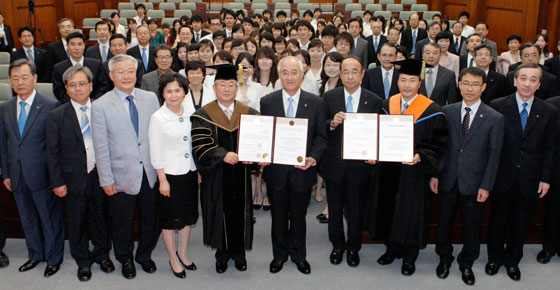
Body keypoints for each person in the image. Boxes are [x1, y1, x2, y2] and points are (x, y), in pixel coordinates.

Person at [431, 67, 504, 286]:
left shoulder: (494, 117)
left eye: (475, 84)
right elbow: (439, 147)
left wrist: (486, 185)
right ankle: (444, 259)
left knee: (472, 227)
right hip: (447, 179)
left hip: (475, 183)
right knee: (444, 223)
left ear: (483, 87)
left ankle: (466, 263)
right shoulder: (447, 111)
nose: (470, 88)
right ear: (459, 85)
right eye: (466, 83)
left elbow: (494, 155)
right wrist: (435, 174)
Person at [375, 59, 448, 276]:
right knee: (389, 208)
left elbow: (440, 144)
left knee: (412, 212)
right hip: (389, 169)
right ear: (397, 82)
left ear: (419, 83)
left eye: (412, 80)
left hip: (415, 172)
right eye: (403, 80)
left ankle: (410, 256)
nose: (407, 85)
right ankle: (391, 249)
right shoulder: (388, 105)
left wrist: (420, 156)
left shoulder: (433, 110)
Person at [91, 55, 160, 279]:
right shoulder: (100, 105)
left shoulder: (150, 98)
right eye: (120, 72)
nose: (126, 76)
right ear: (111, 76)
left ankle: (144, 255)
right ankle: (125, 258)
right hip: (120, 174)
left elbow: (158, 136)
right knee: (122, 221)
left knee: (151, 218)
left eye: (130, 71)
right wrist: (106, 179)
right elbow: (100, 146)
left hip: (150, 172)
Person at [486, 63, 557, 281]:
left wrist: (545, 178)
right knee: (498, 219)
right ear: (515, 81)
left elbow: (550, 148)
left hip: (531, 177)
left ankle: (513, 260)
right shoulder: (497, 106)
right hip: (502, 175)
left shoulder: (548, 111)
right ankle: (494, 258)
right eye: (523, 78)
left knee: (521, 221)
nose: (527, 83)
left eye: (533, 79)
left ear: (539, 84)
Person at [46, 66, 115, 282]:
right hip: (73, 178)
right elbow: (52, 152)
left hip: (100, 175)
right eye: (72, 85)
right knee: (77, 221)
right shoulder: (57, 116)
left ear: (91, 86)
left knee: (102, 218)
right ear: (66, 89)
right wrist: (57, 182)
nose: (78, 89)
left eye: (82, 83)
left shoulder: (103, 110)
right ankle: (83, 261)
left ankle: (102, 254)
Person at [260, 56, 328, 275]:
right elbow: (263, 134)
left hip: (303, 171)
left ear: (302, 75)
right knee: (278, 216)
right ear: (279, 76)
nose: (289, 77)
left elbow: (321, 137)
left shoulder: (316, 102)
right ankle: (279, 256)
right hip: (276, 171)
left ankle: (299, 255)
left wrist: (313, 157)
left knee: (299, 216)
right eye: (285, 72)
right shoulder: (268, 101)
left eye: (294, 72)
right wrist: (262, 153)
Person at [190, 64, 258, 274]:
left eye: (231, 84)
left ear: (237, 88)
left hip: (242, 176)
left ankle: (239, 254)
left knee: (241, 213)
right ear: (215, 88)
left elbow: (258, 144)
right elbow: (200, 147)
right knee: (218, 212)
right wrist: (223, 155)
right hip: (217, 176)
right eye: (222, 85)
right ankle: (222, 254)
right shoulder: (203, 115)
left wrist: (259, 158)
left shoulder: (249, 113)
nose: (227, 89)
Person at [0, 59, 64, 277]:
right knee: (27, 218)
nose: (20, 82)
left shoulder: (50, 106)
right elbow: (4, 143)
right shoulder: (5, 108)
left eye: (24, 77)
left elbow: (55, 147)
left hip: (43, 175)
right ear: (9, 81)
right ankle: (35, 254)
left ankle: (54, 258)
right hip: (17, 175)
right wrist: (6, 173)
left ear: (35, 78)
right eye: (15, 78)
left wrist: (56, 178)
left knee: (49, 218)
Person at [321, 56, 382, 268]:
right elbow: (320, 130)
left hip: (360, 166)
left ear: (362, 73)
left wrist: (375, 152)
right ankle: (337, 245)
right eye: (345, 71)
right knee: (335, 208)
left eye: (354, 71)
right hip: (334, 164)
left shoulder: (374, 100)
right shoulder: (328, 97)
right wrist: (332, 123)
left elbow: (378, 132)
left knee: (357, 209)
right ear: (340, 73)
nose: (349, 76)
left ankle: (354, 247)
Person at [149, 73, 199, 279]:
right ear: (162, 94)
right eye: (169, 91)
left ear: (185, 92)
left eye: (178, 90)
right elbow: (156, 152)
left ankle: (183, 252)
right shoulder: (158, 118)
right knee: (170, 220)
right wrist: (162, 180)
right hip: (169, 176)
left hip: (189, 172)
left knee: (187, 217)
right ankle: (172, 257)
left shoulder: (191, 112)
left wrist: (196, 170)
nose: (173, 94)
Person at [52, 32, 109, 103]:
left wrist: (92, 102)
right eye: (73, 44)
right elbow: (59, 91)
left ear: (84, 46)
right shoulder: (58, 68)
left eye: (79, 44)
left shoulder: (96, 64)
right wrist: (74, 104)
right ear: (67, 46)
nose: (76, 48)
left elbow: (103, 87)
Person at [539, 95, 560, 264]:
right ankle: (548, 247)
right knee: (553, 210)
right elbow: (548, 141)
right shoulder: (552, 105)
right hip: (556, 167)